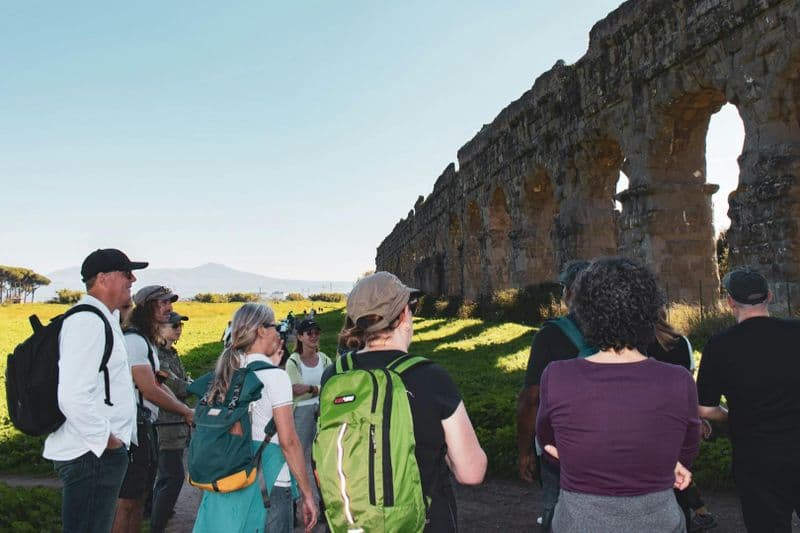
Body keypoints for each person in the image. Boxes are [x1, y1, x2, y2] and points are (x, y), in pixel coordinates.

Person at [536, 257, 700, 532]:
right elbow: (687, 448)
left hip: (582, 519)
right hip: (657, 518)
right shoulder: (678, 380)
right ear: (648, 312)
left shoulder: (557, 377)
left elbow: (549, 445)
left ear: (585, 313)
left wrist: (582, 457)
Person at [321, 271, 487, 531]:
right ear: (402, 317)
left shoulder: (335, 374)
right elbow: (471, 472)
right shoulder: (430, 377)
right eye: (412, 306)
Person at [43, 248, 147, 533]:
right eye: (126, 273)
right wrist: (108, 441)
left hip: (96, 452)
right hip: (92, 453)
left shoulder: (104, 318)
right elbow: (72, 395)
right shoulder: (88, 321)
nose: (133, 279)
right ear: (103, 278)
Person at [192, 303, 318, 533]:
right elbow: (289, 442)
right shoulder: (275, 377)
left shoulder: (225, 372)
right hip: (268, 483)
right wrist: (307, 494)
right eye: (274, 326)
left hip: (227, 476)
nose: (278, 332)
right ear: (261, 330)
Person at [696, 266, 800, 531]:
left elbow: (704, 409)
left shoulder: (719, 345)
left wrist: (733, 415)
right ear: (770, 296)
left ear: (730, 301)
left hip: (756, 456)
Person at [113, 286, 194, 533]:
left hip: (143, 425)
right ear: (147, 307)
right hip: (131, 425)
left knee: (139, 497)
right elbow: (149, 389)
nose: (169, 307)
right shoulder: (136, 341)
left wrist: (183, 409)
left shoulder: (144, 341)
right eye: (163, 303)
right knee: (126, 502)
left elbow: (157, 383)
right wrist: (185, 411)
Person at [516, 260, 589, 529]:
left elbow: (531, 398)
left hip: (559, 445)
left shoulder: (551, 334)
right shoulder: (621, 329)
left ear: (568, 293)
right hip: (613, 439)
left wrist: (524, 451)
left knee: (555, 507)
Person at [646, 309, 717, 532]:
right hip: (677, 417)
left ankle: (696, 513)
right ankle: (696, 514)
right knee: (678, 471)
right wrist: (696, 417)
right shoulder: (682, 341)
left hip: (649, 417)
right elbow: (688, 383)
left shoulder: (638, 344)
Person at [149, 311, 192, 533]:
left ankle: (158, 514)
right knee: (173, 476)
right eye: (173, 325)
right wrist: (193, 386)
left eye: (180, 325)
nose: (178, 329)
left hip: (174, 424)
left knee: (167, 475)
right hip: (165, 424)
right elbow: (176, 386)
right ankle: (157, 523)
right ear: (159, 328)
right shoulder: (158, 356)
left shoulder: (170, 353)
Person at [285, 318, 332, 519]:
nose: (314, 336)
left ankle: (325, 504)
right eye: (309, 333)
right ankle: (294, 505)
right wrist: (320, 389)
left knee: (323, 461)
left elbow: (334, 385)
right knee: (298, 460)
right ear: (300, 337)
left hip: (323, 413)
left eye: (316, 332)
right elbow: (295, 389)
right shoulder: (293, 361)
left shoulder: (325, 359)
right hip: (302, 414)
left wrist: (311, 389)